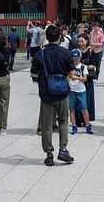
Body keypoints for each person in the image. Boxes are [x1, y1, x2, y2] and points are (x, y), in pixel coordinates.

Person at [30, 24, 75, 166]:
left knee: (47, 125)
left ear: (47, 38)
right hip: (62, 92)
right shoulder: (66, 53)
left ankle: (49, 154)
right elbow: (71, 73)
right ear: (60, 37)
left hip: (46, 94)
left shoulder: (40, 54)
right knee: (63, 121)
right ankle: (63, 149)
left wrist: (43, 80)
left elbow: (33, 73)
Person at [68, 49, 93, 135]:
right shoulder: (69, 66)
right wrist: (76, 77)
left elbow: (85, 79)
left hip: (81, 90)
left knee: (84, 109)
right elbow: (69, 76)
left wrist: (76, 77)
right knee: (71, 109)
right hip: (71, 90)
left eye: (77, 58)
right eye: (74, 58)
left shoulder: (83, 67)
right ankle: (74, 126)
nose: (75, 60)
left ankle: (87, 125)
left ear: (80, 58)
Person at [80, 34, 102, 125]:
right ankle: (80, 119)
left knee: (88, 98)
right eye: (79, 41)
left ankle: (88, 119)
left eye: (82, 41)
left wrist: (82, 66)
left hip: (88, 78)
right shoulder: (77, 51)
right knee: (79, 98)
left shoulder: (91, 51)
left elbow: (94, 66)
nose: (80, 43)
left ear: (87, 41)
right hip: (79, 78)